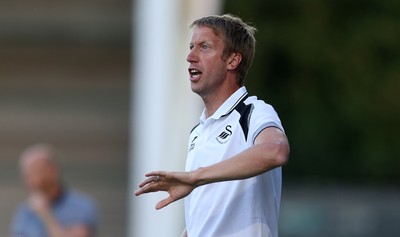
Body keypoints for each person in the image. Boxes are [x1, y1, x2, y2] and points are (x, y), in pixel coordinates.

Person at [135, 14, 290, 237]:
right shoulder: (198, 131)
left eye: (204, 47)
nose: (190, 56)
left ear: (232, 61)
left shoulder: (252, 111)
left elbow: (276, 151)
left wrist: (195, 177)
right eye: (191, 47)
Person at [10, 143, 98, 237]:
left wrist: (45, 213)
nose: (32, 180)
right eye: (27, 175)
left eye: (37, 171)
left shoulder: (82, 206)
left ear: (54, 170)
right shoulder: (24, 213)